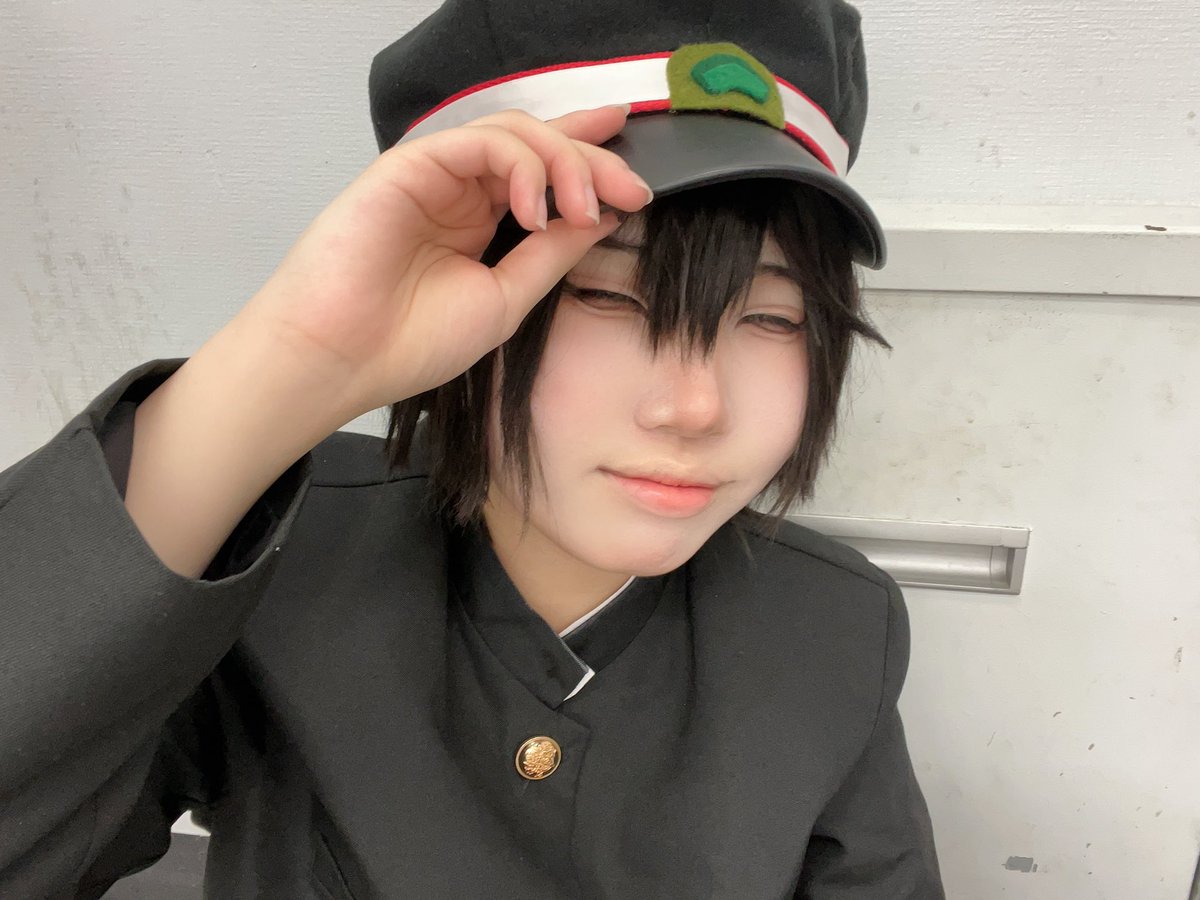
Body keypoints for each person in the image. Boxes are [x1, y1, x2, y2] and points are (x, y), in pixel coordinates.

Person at [0, 0, 945, 896]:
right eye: (607, 295)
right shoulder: (273, 558)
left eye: (774, 317)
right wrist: (289, 362)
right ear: (461, 277)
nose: (695, 406)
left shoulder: (835, 629)